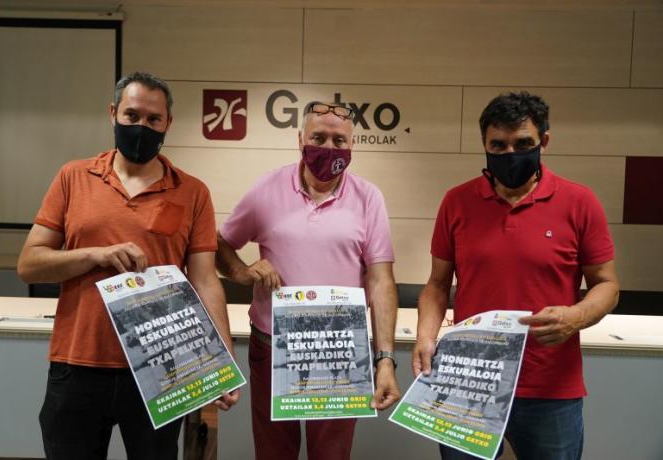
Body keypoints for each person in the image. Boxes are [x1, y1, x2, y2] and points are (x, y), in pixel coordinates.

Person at [17, 71, 238, 460]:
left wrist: (222, 363)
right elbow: (30, 264)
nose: (142, 127)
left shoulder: (192, 192)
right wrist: (94, 254)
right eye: (132, 116)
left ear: (168, 123)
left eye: (153, 120)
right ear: (113, 113)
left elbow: (205, 281)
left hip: (163, 369)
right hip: (78, 362)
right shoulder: (74, 176)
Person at [413, 91, 619, 459]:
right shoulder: (456, 202)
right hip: (468, 381)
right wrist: (426, 337)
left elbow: (607, 284)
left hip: (550, 387)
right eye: (499, 144)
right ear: (485, 144)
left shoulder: (579, 201)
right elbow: (437, 284)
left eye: (523, 143)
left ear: (545, 141)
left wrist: (575, 317)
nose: (510, 154)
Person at [216, 102, 401, 460]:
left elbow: (381, 280)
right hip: (272, 347)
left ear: (352, 146)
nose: (328, 148)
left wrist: (385, 360)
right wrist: (243, 272)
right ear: (301, 139)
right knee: (274, 453)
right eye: (318, 137)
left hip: (339, 349)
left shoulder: (368, 197)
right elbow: (220, 245)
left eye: (338, 140)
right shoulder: (267, 188)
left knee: (331, 455)